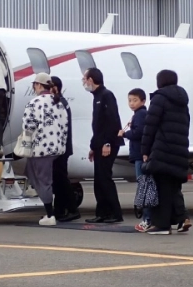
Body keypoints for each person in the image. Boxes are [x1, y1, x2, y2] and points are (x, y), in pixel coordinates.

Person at [140, 70, 191, 235]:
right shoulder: (182, 101)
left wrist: (145, 151)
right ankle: (182, 217)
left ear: (160, 82)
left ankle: (162, 225)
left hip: (163, 149)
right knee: (173, 187)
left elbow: (150, 126)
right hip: (180, 148)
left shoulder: (159, 99)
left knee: (161, 187)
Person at [21, 73, 69, 226]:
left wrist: (26, 148)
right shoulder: (58, 103)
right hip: (56, 148)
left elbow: (28, 128)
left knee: (44, 180)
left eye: (34, 84)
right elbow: (65, 126)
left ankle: (50, 214)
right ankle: (37, 191)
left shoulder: (34, 103)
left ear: (39, 85)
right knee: (34, 173)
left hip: (40, 148)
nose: (34, 87)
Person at [83, 67, 123, 224]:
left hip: (109, 143)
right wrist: (94, 146)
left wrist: (107, 143)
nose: (84, 83)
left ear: (91, 80)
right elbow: (98, 126)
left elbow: (112, 121)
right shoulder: (97, 97)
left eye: (84, 79)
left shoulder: (106, 96)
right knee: (99, 179)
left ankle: (115, 212)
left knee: (105, 178)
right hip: (100, 144)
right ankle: (102, 212)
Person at [118, 88, 151, 232]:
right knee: (144, 186)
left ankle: (147, 219)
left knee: (143, 187)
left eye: (135, 100)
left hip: (140, 155)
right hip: (138, 155)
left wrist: (125, 133)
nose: (131, 103)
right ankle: (147, 218)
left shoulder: (140, 114)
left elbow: (139, 133)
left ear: (143, 101)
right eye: (130, 100)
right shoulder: (139, 114)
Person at [50, 76, 80, 222]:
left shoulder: (59, 104)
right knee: (58, 180)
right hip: (61, 148)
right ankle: (59, 210)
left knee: (61, 179)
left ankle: (73, 209)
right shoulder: (61, 102)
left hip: (60, 148)